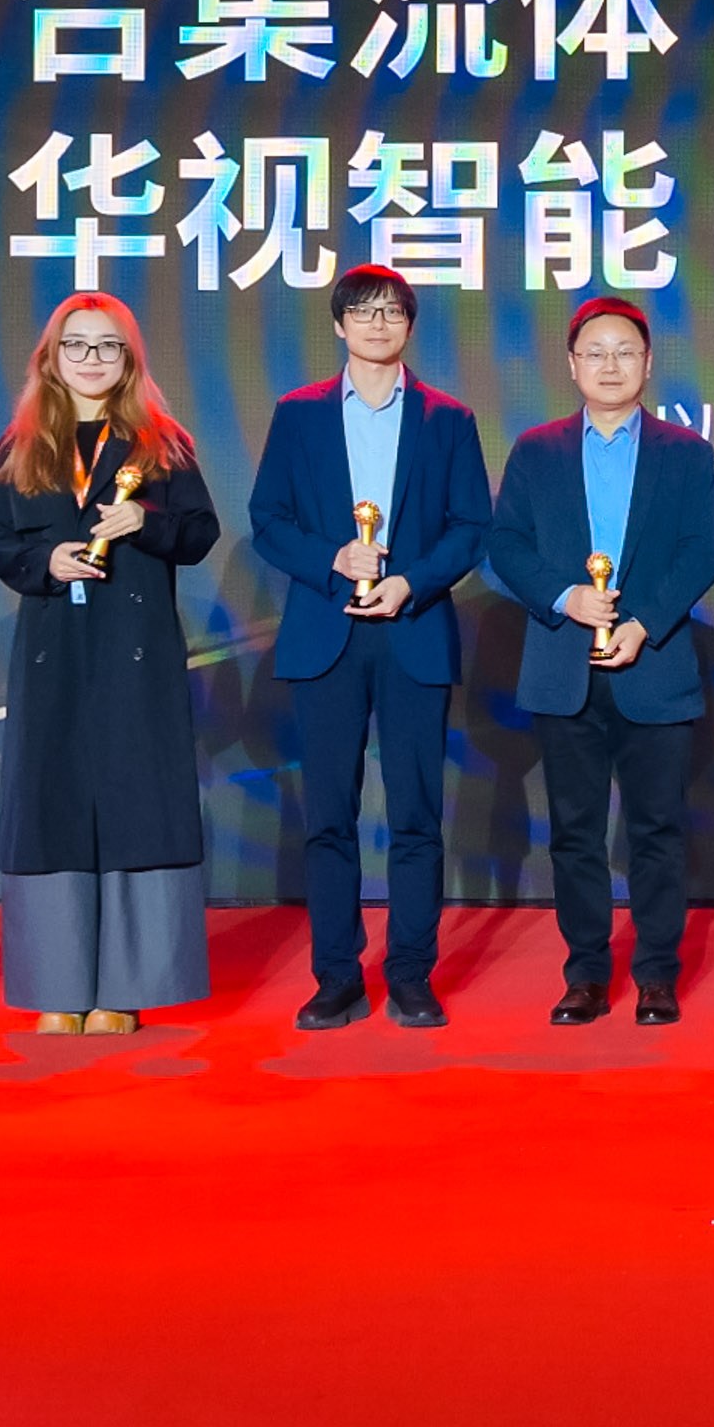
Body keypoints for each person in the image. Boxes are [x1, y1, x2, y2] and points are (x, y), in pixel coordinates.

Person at [244, 264, 491, 1030]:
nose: (378, 323)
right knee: (329, 816)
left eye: (392, 311)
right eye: (363, 310)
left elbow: (471, 527)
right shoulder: (300, 414)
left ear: (410, 326)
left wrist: (409, 581)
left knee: (416, 815)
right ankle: (337, 976)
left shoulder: (448, 418)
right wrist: (333, 558)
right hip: (327, 633)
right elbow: (268, 518)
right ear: (339, 324)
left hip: (413, 630)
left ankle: (411, 974)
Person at [0, 293, 220, 1034]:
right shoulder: (20, 445)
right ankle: (59, 988)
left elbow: (200, 532)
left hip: (135, 650)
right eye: (75, 345)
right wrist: (44, 560)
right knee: (52, 804)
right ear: (50, 357)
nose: (90, 359)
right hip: (54, 650)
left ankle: (124, 991)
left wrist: (146, 520)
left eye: (107, 346)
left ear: (129, 358)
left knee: (135, 802)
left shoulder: (162, 443)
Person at [488, 295, 714, 1025]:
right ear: (572, 365)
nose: (611, 365)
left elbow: (703, 552)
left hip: (653, 667)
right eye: (595, 352)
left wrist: (643, 624)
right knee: (575, 833)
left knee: (657, 830)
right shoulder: (537, 450)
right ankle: (586, 974)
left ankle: (655, 973)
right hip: (564, 669)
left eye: (625, 352)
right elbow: (506, 546)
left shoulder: (684, 452)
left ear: (648, 363)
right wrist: (566, 598)